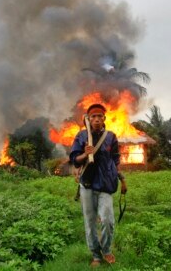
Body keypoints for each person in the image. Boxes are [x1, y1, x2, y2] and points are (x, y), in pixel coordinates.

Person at [69, 103, 125, 267]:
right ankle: (96, 255)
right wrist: (85, 154)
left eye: (99, 116)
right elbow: (75, 160)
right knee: (90, 221)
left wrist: (122, 179)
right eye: (93, 116)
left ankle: (106, 250)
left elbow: (115, 160)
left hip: (106, 184)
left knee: (107, 219)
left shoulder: (110, 137)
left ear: (104, 118)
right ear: (88, 118)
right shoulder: (81, 136)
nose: (97, 119)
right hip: (87, 184)